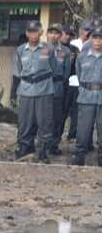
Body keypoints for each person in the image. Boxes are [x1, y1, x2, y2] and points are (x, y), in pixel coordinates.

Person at [12, 20, 57, 162]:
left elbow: (54, 68)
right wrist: (14, 92)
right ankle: (25, 147)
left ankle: (43, 149)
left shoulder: (48, 49)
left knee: (45, 121)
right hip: (26, 90)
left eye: (36, 31)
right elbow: (17, 71)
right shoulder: (20, 50)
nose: (33, 34)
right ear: (26, 33)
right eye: (30, 31)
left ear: (41, 32)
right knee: (25, 121)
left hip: (44, 89)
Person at [71, 26, 102, 166]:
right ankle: (79, 156)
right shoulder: (82, 56)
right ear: (90, 39)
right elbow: (79, 74)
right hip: (86, 96)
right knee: (83, 128)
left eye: (100, 38)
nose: (97, 41)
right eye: (95, 37)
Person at [47, 25, 73, 156]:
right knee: (42, 118)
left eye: (56, 33)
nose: (53, 35)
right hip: (42, 88)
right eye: (51, 33)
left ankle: (53, 144)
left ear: (60, 35)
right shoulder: (41, 48)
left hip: (57, 87)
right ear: (47, 34)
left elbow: (66, 72)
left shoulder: (65, 51)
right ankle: (40, 144)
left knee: (57, 118)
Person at [60, 25, 80, 142]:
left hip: (70, 85)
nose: (67, 36)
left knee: (68, 112)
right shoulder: (52, 47)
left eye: (70, 35)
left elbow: (78, 68)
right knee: (57, 114)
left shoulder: (74, 49)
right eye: (66, 33)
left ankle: (68, 136)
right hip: (55, 85)